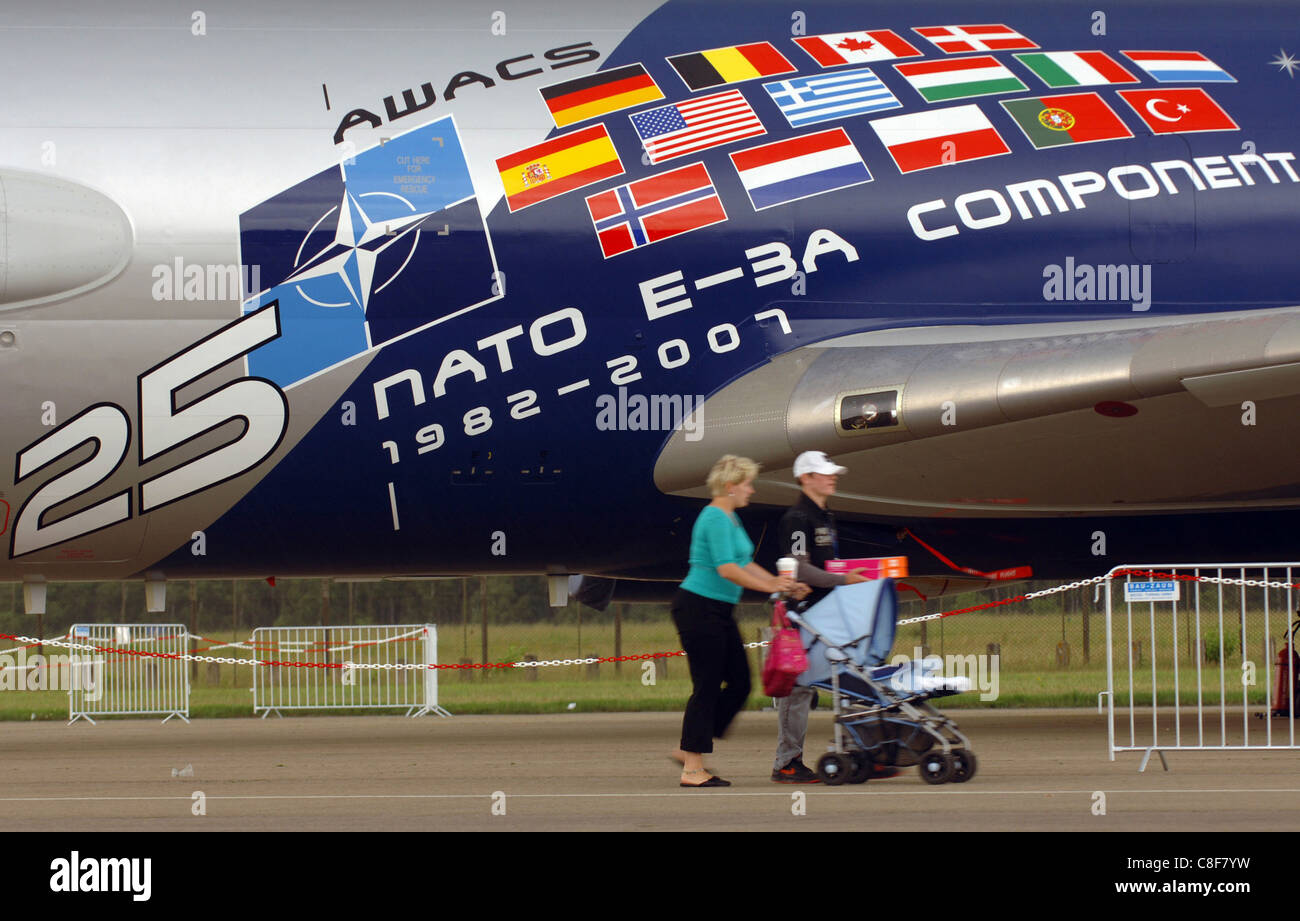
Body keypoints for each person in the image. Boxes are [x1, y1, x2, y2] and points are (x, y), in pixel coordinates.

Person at [670, 454, 807, 787]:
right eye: (747, 484)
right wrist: (771, 587)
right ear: (731, 486)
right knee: (707, 685)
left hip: (718, 610)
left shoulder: (730, 518)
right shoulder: (714, 517)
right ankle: (692, 767)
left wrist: (781, 584)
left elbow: (744, 562)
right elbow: (727, 569)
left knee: (741, 683)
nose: (752, 490)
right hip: (699, 607)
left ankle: (691, 747)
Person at [770, 450, 896, 783]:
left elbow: (826, 565)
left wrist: (852, 574)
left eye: (832, 472)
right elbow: (798, 566)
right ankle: (787, 762)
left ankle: (864, 753)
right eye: (825, 473)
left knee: (853, 674)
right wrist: (844, 579)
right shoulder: (797, 518)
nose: (833, 477)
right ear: (806, 478)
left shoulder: (825, 515)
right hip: (805, 616)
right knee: (799, 690)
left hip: (829, 613)